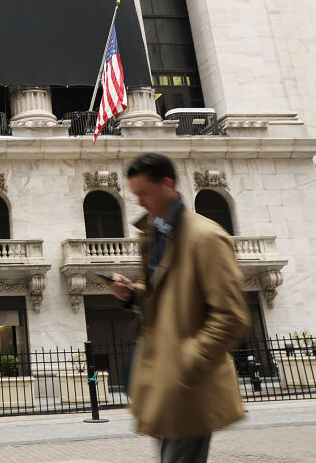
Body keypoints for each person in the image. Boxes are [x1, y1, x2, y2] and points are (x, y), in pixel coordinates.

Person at [100, 152, 249, 463]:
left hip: (188, 386)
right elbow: (165, 299)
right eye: (135, 194)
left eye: (144, 193)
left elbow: (231, 316)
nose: (139, 203)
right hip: (162, 382)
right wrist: (130, 294)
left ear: (167, 184)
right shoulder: (157, 234)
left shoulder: (206, 238)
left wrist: (186, 361)